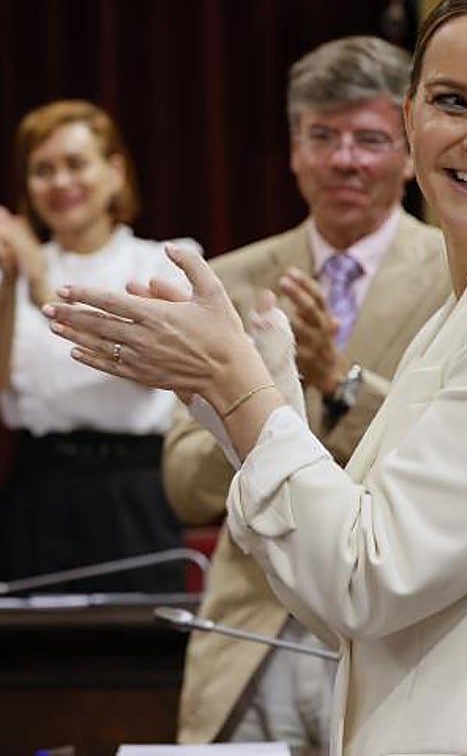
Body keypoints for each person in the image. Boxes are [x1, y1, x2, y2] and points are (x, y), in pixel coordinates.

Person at [45, 0, 467, 754]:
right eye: (452, 101)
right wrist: (233, 386)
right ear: (412, 121)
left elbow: (369, 575)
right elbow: (338, 544)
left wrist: (238, 387)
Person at [161, 37, 449, 745]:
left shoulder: (460, 277)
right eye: (322, 136)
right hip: (253, 640)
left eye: (370, 139)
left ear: (409, 154)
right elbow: (183, 486)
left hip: (401, 639)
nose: (344, 159)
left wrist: (336, 380)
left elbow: (451, 459)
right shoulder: (224, 282)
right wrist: (260, 399)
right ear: (294, 151)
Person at [0, 99, 199, 593]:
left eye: (76, 164)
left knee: (137, 659)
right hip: (39, 483)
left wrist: (38, 281)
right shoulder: (7, 267)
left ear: (115, 173)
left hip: (134, 485)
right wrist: (12, 279)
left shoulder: (164, 261)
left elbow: (149, 366)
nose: (60, 183)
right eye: (43, 170)